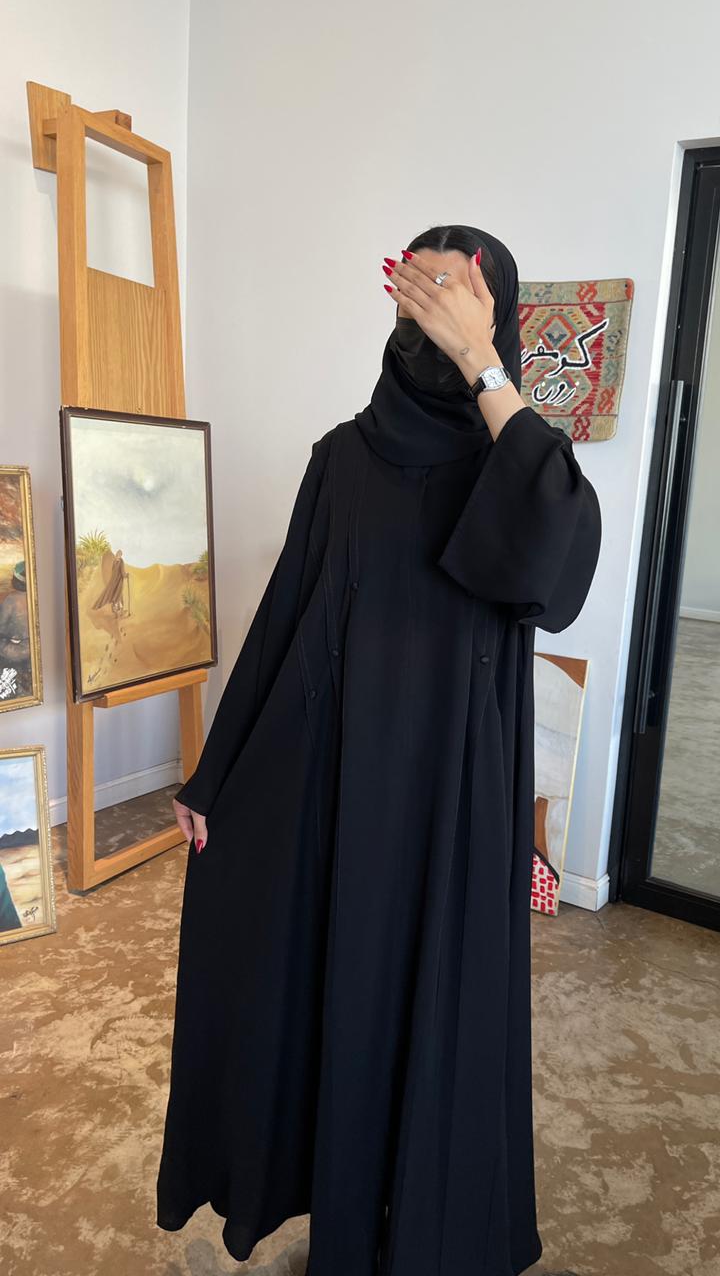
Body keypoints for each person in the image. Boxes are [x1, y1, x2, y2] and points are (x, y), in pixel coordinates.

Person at [156, 224, 602, 1276]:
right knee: (331, 988)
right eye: (417, 289)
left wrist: (483, 366)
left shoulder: (513, 460)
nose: (430, 311)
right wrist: (214, 775)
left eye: (456, 291)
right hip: (339, 780)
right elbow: (283, 616)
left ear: (495, 308)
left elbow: (561, 570)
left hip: (456, 791)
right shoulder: (343, 460)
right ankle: (340, 1206)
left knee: (437, 1003)